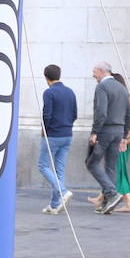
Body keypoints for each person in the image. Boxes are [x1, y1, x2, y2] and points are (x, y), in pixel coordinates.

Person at [84, 61, 130, 215]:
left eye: (94, 71)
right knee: (110, 167)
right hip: (118, 132)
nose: (93, 75)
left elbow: (101, 112)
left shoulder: (102, 87)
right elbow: (129, 114)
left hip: (105, 131)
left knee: (91, 162)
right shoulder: (122, 88)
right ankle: (107, 204)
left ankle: (111, 194)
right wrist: (124, 135)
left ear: (101, 71)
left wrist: (94, 132)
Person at [94, 72, 130, 213]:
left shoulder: (125, 99)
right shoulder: (121, 98)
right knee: (116, 170)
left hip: (121, 141)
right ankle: (102, 198)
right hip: (120, 139)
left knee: (118, 171)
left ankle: (127, 203)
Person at [37, 64, 77, 214]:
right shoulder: (70, 92)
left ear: (46, 77)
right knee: (59, 170)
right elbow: (74, 114)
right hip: (67, 135)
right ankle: (55, 204)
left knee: (43, 166)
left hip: (53, 135)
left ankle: (63, 191)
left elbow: (47, 114)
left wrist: (44, 131)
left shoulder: (49, 92)